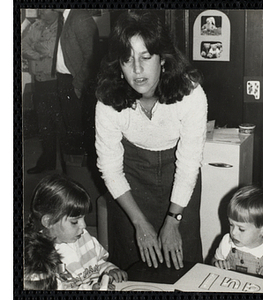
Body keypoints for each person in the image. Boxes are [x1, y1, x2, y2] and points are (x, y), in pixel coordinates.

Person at [95, 11, 207, 271]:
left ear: (163, 60)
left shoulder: (191, 94)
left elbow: (189, 164)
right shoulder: (108, 100)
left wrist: (173, 219)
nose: (137, 70)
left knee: (183, 265)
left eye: (145, 57)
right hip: (129, 184)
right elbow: (110, 168)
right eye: (127, 59)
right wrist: (138, 222)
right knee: (132, 265)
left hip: (178, 181)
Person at [25, 174, 127, 290]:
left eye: (83, 218)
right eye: (74, 222)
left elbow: (99, 262)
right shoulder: (41, 260)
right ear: (48, 222)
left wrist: (109, 270)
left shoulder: (84, 237)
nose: (83, 225)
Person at [53, 9, 100, 156]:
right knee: (71, 129)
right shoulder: (66, 17)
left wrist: (78, 84)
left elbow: (92, 56)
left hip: (75, 82)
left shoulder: (79, 17)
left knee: (79, 131)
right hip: (64, 80)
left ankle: (81, 175)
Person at [22, 9, 60, 174]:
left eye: (43, 9)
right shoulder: (36, 25)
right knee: (44, 125)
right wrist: (38, 56)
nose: (39, 12)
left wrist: (35, 45)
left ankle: (67, 167)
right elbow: (22, 46)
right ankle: (47, 161)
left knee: (60, 125)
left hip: (56, 82)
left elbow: (52, 50)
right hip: (39, 81)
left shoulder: (63, 26)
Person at [212, 186, 263, 279]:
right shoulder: (226, 242)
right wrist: (218, 264)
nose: (233, 233)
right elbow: (214, 261)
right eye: (231, 225)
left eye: (241, 229)